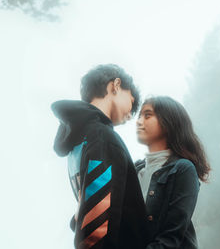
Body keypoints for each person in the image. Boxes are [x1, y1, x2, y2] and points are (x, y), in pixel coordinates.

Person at [51, 64, 150, 248]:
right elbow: (97, 226)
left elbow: (90, 209)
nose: (131, 115)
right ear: (116, 86)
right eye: (131, 100)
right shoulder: (102, 138)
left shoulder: (78, 141)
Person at [134, 96, 211, 248]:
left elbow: (171, 238)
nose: (139, 121)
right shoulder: (135, 170)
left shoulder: (183, 169)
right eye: (139, 116)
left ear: (167, 122)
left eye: (147, 115)